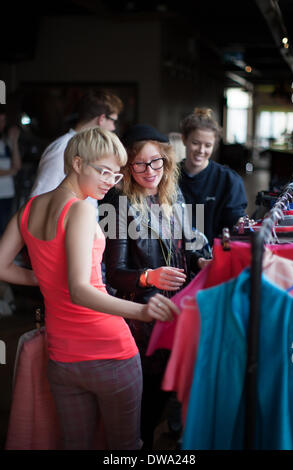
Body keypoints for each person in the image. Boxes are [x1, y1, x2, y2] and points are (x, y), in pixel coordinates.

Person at [0, 127, 179, 450]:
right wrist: (142, 311)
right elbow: (81, 290)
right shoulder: (81, 208)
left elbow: (2, 267)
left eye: (115, 173)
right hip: (107, 349)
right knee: (126, 447)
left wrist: (44, 279)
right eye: (103, 170)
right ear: (78, 163)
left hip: (62, 357)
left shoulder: (28, 209)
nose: (111, 180)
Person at [101, 123, 211, 449]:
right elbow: (114, 272)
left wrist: (200, 262)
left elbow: (183, 249)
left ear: (167, 161)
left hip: (176, 307)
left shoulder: (173, 195)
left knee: (169, 391)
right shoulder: (118, 205)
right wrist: (149, 276)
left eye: (156, 162)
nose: (149, 171)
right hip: (143, 315)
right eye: (140, 164)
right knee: (146, 402)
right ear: (128, 166)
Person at [30, 88, 123, 211]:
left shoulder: (81, 147)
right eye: (113, 121)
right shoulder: (62, 148)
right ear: (101, 119)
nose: (113, 127)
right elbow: (38, 200)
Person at [179, 107, 248, 245]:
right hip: (175, 259)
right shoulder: (168, 176)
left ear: (214, 146)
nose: (201, 150)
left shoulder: (229, 180)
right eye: (195, 143)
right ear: (184, 139)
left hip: (213, 256)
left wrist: (241, 223)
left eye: (208, 145)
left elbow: (234, 220)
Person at [0, 107, 22, 235]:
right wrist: (11, 171)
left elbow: (17, 165)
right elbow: (14, 169)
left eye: (3, 121)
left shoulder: (5, 143)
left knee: (5, 230)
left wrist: (14, 142)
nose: (1, 124)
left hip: (7, 193)